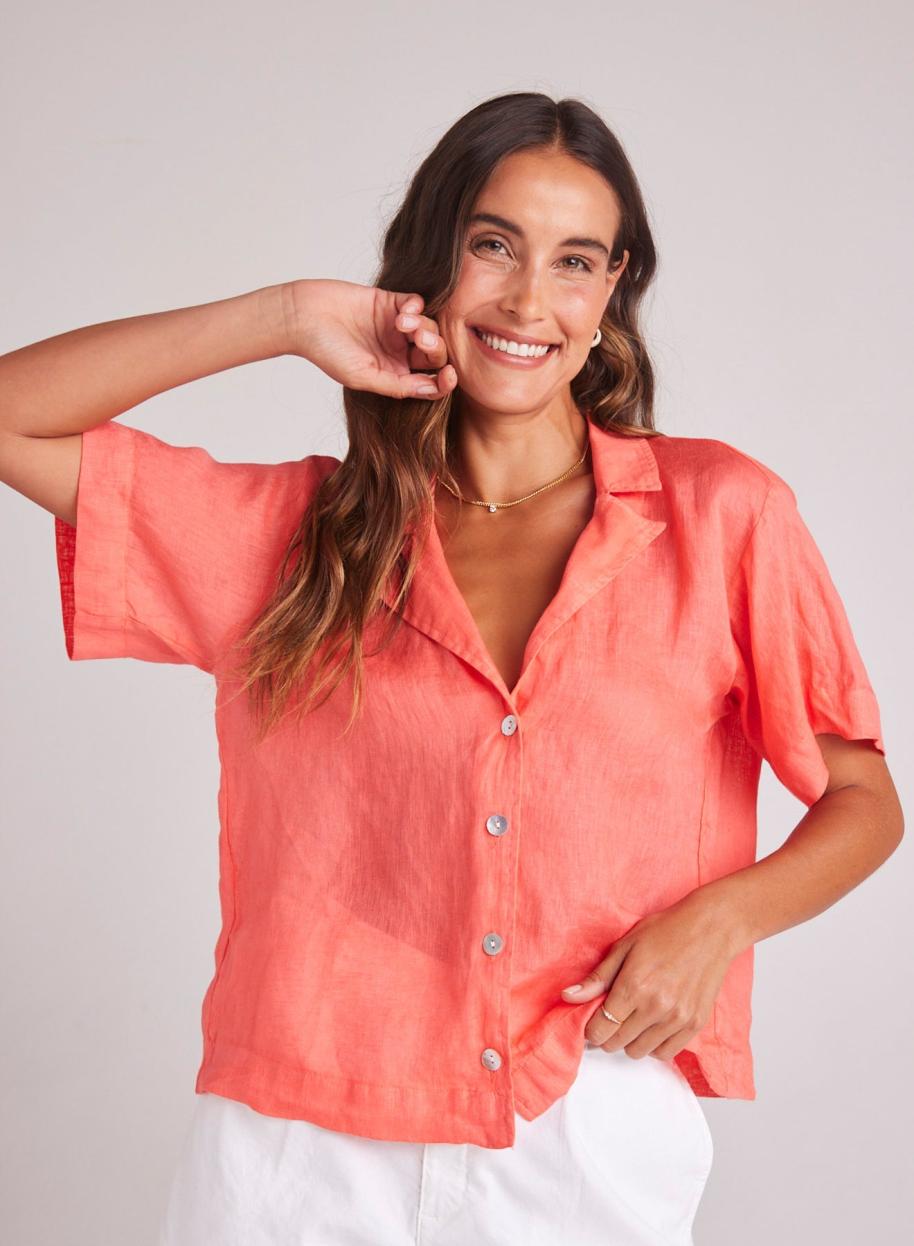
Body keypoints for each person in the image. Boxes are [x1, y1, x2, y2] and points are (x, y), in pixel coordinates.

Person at [1, 92, 903, 1246]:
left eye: (572, 261)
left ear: (611, 288)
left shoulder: (719, 515)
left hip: (582, 1129)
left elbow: (863, 798)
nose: (527, 301)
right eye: (492, 245)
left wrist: (720, 920)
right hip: (299, 1146)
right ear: (433, 259)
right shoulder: (293, 537)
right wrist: (286, 314)